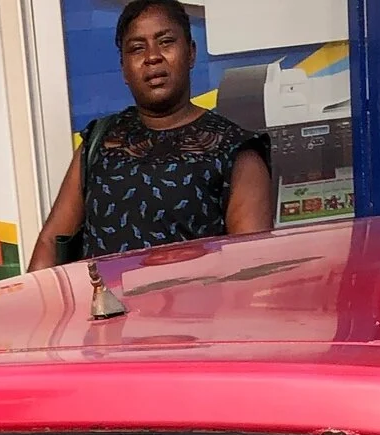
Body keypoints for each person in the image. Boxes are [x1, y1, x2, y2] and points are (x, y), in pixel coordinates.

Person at [28, 0, 273, 269]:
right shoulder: (99, 140)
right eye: (137, 48)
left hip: (193, 310)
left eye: (166, 42)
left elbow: (253, 269)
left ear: (190, 53)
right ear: (124, 68)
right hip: (100, 308)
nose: (152, 56)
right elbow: (50, 242)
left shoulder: (235, 150)